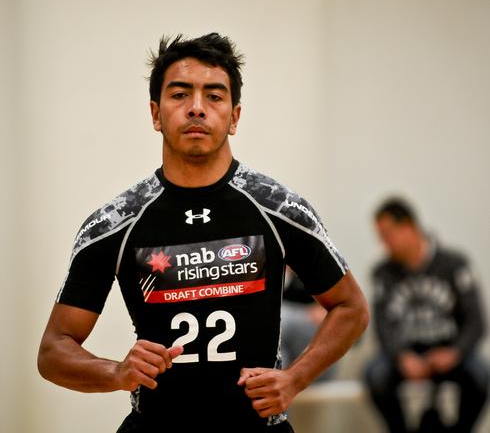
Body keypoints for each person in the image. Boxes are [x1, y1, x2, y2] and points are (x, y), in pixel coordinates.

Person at [37, 33, 369, 432]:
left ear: (234, 116)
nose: (197, 108)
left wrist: (294, 378)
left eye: (214, 96)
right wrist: (116, 372)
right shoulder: (115, 223)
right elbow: (54, 350)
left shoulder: (279, 209)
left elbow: (352, 309)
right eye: (180, 95)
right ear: (156, 113)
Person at [365, 197, 489, 433]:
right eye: (381, 237)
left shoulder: (455, 265)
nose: (384, 244)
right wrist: (401, 356)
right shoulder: (383, 273)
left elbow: (476, 322)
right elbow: (382, 325)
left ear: (410, 227)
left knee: (480, 376)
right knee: (375, 376)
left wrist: (456, 352)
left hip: (450, 351)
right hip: (406, 355)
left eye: (387, 235)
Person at [281, 267, 336, 381]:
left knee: (282, 318)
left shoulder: (320, 270)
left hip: (316, 365)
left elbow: (353, 319)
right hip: (285, 359)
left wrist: (330, 311)